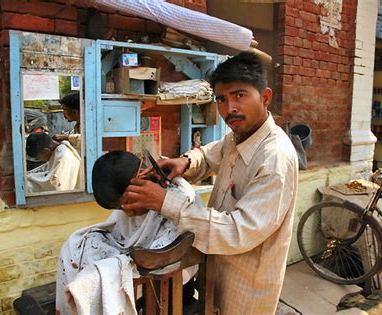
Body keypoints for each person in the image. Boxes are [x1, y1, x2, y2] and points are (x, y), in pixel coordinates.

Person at [122, 52, 299, 314]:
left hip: (245, 288)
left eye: (240, 95)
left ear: (265, 97)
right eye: (222, 99)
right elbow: (209, 153)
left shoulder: (275, 160)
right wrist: (185, 161)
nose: (230, 109)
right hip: (213, 271)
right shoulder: (238, 136)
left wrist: (165, 202)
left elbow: (236, 232)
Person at [55, 151, 200, 314]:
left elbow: (161, 255)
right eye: (120, 209)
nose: (128, 213)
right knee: (74, 246)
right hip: (143, 270)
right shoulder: (131, 200)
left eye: (128, 203)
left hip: (170, 287)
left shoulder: (181, 199)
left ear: (142, 182)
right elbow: (119, 233)